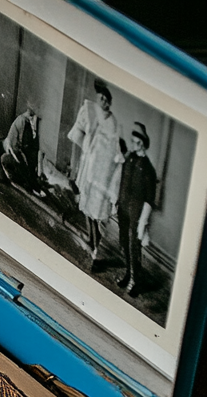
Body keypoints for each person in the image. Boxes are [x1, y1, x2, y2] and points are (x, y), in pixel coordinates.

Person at [67, 80, 121, 262]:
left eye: (107, 99)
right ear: (98, 98)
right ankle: (92, 240)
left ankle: (98, 246)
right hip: (88, 171)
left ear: (110, 102)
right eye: (101, 98)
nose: (104, 101)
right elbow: (80, 135)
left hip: (101, 177)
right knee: (86, 209)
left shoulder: (112, 123)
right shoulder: (92, 113)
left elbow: (110, 153)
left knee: (97, 213)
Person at [113, 122, 159, 295]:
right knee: (124, 242)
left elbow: (149, 198)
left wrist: (142, 221)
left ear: (142, 143)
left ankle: (135, 280)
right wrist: (116, 202)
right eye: (132, 141)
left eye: (135, 142)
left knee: (134, 246)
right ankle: (128, 274)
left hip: (136, 214)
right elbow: (122, 182)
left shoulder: (148, 169)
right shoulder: (129, 159)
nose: (133, 144)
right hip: (123, 208)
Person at [0, 102, 44, 196]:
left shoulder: (31, 120)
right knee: (22, 166)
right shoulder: (22, 121)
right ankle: (31, 186)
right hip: (14, 151)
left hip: (21, 150)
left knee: (30, 164)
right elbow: (17, 144)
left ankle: (33, 185)